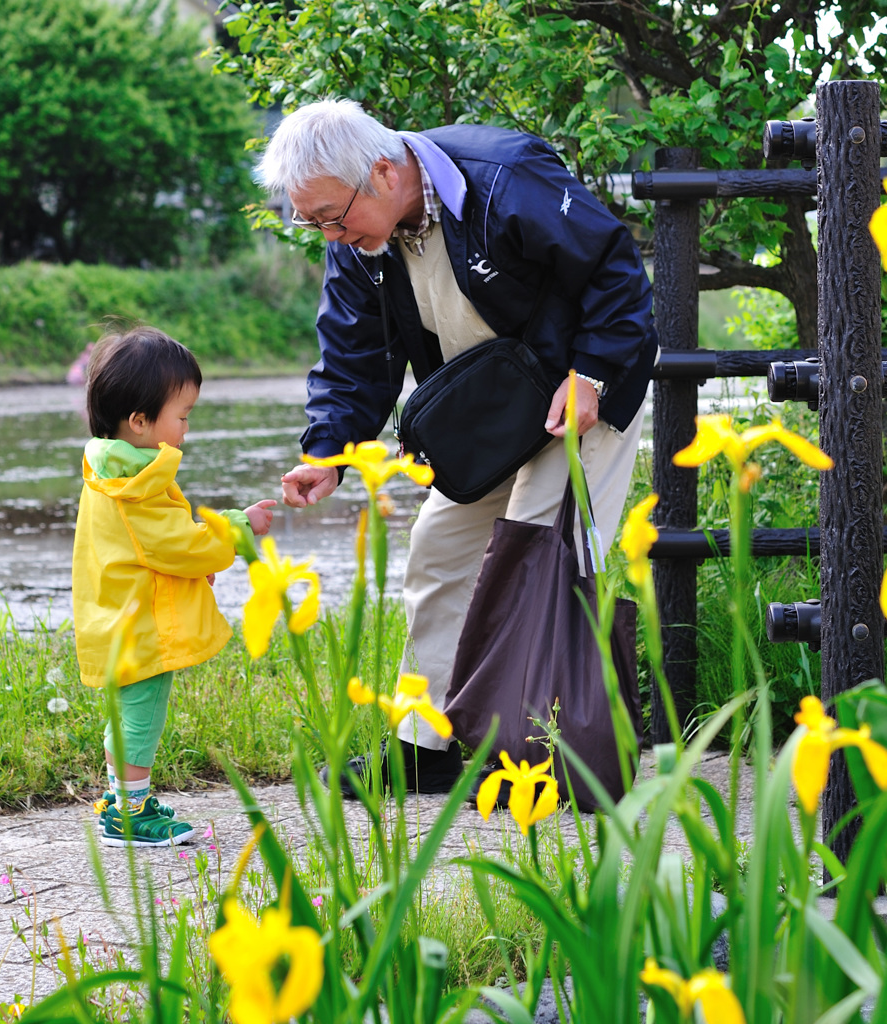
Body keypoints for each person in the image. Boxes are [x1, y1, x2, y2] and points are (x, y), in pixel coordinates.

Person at [257, 98, 657, 797]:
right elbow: (353, 353)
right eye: (312, 221)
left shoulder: (502, 177)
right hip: (490, 418)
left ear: (382, 172)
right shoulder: (360, 242)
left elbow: (613, 270)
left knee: (534, 555)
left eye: (331, 216)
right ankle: (430, 745)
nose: (329, 234)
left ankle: (545, 751)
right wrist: (326, 450)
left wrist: (590, 372)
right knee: (436, 554)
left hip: (578, 397)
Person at [72, 325, 276, 846]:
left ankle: (123, 799)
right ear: (139, 422)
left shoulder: (115, 467)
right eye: (182, 416)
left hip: (119, 613)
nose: (186, 428)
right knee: (140, 717)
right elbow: (179, 544)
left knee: (131, 712)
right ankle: (129, 815)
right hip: (140, 622)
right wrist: (237, 527)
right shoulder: (136, 486)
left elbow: (157, 548)